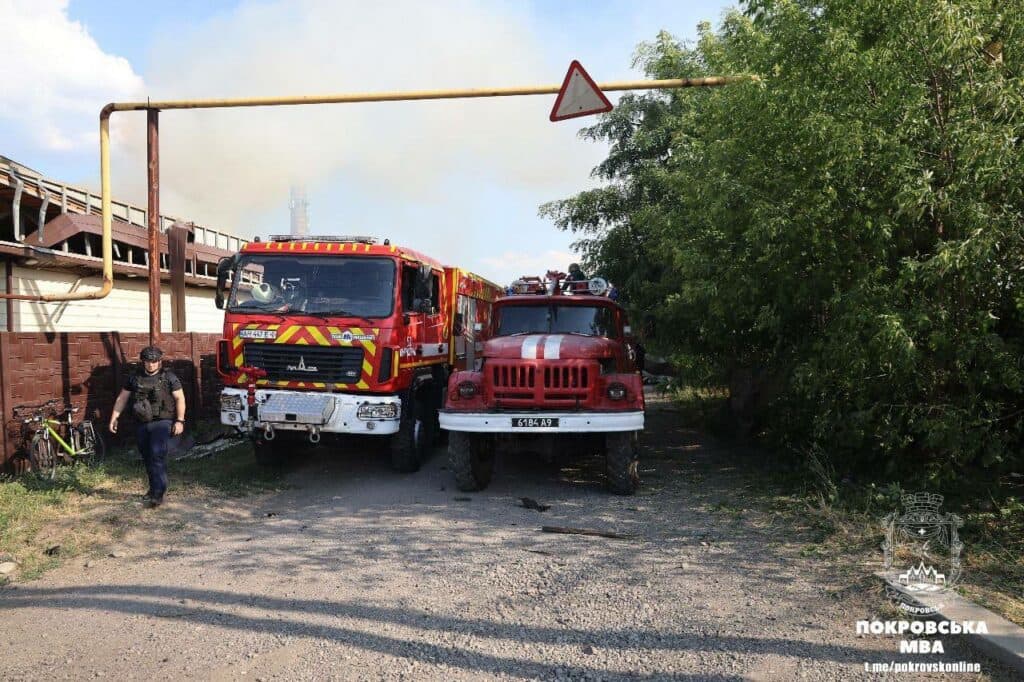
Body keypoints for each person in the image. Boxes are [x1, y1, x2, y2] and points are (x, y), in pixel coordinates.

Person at [109, 346, 186, 508]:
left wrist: (180, 420)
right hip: (142, 423)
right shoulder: (134, 378)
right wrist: (114, 417)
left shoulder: (169, 377)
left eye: (154, 361)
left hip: (162, 422)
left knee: (157, 454)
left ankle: (158, 493)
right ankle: (153, 489)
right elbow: (122, 398)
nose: (151, 365)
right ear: (142, 362)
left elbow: (180, 398)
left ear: (159, 361)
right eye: (147, 361)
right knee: (147, 457)